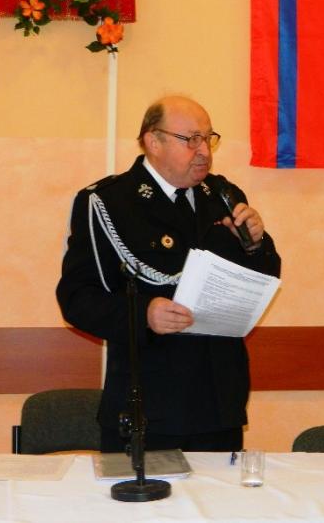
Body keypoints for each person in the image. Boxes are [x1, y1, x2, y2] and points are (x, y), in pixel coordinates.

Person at [56, 96, 281, 453]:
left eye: (208, 138)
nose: (204, 151)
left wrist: (256, 244)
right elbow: (77, 299)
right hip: (148, 405)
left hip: (219, 404)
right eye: (191, 139)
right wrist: (143, 314)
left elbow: (259, 280)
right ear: (153, 141)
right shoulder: (109, 201)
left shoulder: (222, 195)